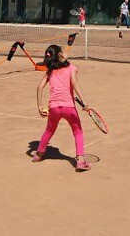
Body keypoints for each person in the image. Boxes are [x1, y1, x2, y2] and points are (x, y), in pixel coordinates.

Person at [32, 44, 91, 172]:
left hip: (53, 108)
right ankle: (80, 161)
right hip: (69, 107)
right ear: (60, 55)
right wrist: (84, 101)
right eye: (63, 51)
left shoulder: (50, 71)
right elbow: (74, 83)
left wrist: (39, 107)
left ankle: (38, 155)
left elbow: (39, 87)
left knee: (49, 131)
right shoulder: (71, 67)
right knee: (78, 132)